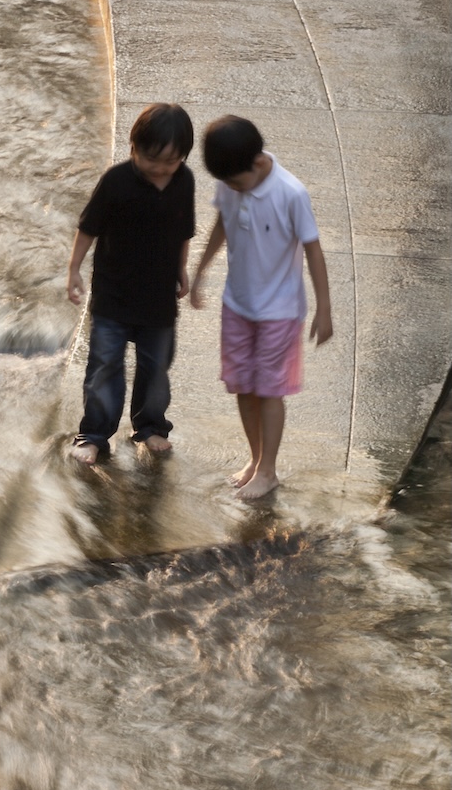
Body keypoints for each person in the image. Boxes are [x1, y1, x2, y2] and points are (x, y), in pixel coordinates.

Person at [190, 115, 333, 500]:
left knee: (269, 389)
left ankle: (268, 470)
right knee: (241, 385)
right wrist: (201, 271)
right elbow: (222, 221)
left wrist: (324, 308)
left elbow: (313, 249)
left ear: (256, 163)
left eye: (236, 182)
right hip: (237, 303)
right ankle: (255, 461)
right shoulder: (229, 179)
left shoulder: (290, 193)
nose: (232, 189)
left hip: (280, 311)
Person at [66, 102, 195, 464]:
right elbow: (88, 227)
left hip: (158, 298)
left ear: (183, 158)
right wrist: (74, 268)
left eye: (169, 163)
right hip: (113, 295)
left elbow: (183, 231)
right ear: (132, 148)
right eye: (150, 160)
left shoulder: (184, 181)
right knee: (105, 366)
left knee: (156, 368)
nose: (159, 170)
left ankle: (150, 426)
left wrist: (182, 269)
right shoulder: (116, 181)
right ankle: (93, 435)